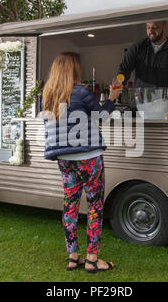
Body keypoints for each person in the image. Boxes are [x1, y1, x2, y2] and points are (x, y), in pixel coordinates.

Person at [42, 52, 122, 273]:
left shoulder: (47, 94)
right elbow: (102, 117)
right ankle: (92, 259)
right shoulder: (81, 92)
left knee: (70, 206)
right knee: (95, 206)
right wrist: (113, 97)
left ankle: (73, 256)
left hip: (64, 159)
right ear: (74, 69)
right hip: (89, 158)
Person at [116, 21, 168, 102]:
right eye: (148, 27)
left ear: (164, 26)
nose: (150, 31)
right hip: (140, 105)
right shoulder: (137, 48)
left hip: (164, 106)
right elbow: (124, 69)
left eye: (155, 27)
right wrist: (119, 81)